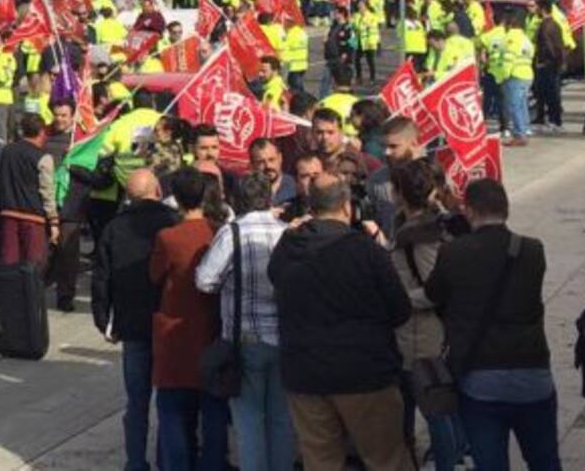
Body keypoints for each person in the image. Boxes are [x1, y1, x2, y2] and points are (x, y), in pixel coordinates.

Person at [268, 173, 412, 470]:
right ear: (347, 206)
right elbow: (400, 309)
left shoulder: (288, 247)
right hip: (365, 373)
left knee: (320, 460)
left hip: (305, 374)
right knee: (385, 459)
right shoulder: (365, 250)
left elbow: (275, 281)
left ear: (310, 206)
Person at [424, 179, 561, 471]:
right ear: (506, 209)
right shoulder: (532, 250)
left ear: (469, 211)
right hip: (532, 373)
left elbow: (434, 294)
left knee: (490, 464)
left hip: (479, 376)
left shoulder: (453, 252)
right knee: (545, 460)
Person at [196, 172, 294, 471]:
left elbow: (205, 281)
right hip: (284, 336)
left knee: (249, 420)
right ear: (270, 197)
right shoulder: (287, 233)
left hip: (245, 337)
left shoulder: (232, 233)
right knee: (281, 418)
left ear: (237, 199)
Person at [92, 170, 178, 471]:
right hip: (167, 323)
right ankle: (167, 460)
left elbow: (101, 277)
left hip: (132, 324)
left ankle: (136, 462)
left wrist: (103, 319)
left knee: (137, 401)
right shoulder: (172, 222)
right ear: (158, 190)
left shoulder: (115, 228)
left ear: (128, 196)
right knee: (168, 400)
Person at [149, 170, 228, 471]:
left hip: (175, 331)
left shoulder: (168, 237)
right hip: (210, 326)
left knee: (172, 412)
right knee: (214, 412)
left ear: (177, 199)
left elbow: (155, 275)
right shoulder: (219, 232)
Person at [390, 159, 462, 471]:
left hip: (423, 337)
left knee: (435, 411)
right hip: (411, 335)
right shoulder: (411, 224)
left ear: (399, 193)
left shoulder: (421, 234)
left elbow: (436, 287)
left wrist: (400, 299)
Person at [0, 113, 59, 268]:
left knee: (9, 265)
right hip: (33, 219)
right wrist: (53, 221)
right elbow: (47, 192)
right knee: (33, 266)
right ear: (42, 132)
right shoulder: (44, 158)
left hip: (8, 215)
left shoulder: (6, 151)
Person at [45, 99, 86, 312]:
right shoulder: (45, 136)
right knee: (46, 253)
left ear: (73, 116)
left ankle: (65, 297)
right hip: (47, 201)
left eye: (64, 115)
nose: (59, 119)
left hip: (70, 204)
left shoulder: (82, 140)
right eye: (56, 115)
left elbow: (93, 172)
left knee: (68, 252)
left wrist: (75, 161)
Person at [501, 11, 535, 146]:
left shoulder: (510, 37)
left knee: (514, 106)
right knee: (521, 105)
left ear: (509, 24)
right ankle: (524, 129)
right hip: (527, 74)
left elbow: (509, 57)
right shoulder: (525, 38)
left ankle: (519, 135)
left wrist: (504, 75)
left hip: (515, 75)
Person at [531, 0, 564, 132]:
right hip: (554, 63)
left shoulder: (545, 26)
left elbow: (547, 45)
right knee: (551, 93)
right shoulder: (555, 24)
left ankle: (553, 120)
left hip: (546, 64)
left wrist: (544, 60)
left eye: (537, 8)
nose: (536, 11)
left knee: (547, 93)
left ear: (543, 9)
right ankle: (551, 119)